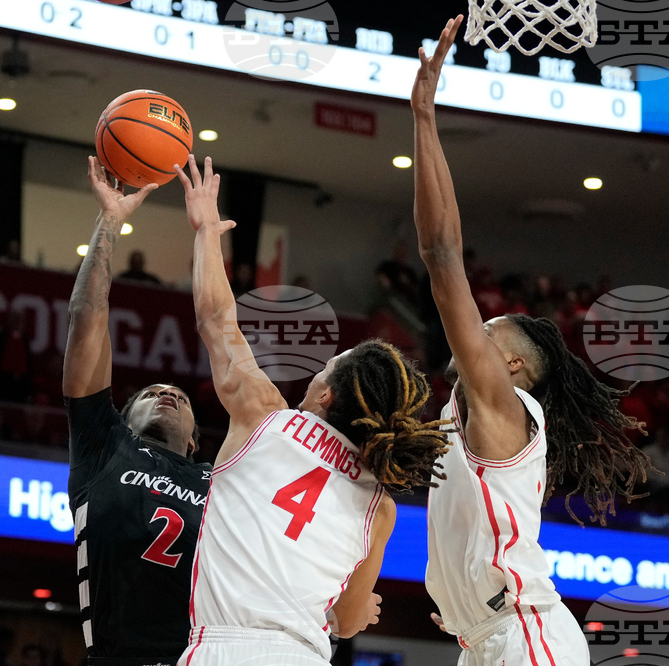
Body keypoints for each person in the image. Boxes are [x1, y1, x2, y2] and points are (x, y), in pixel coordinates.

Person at [411, 17, 654, 666]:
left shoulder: (506, 407)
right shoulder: (461, 415)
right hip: (485, 640)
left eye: (485, 335)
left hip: (524, 638)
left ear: (511, 364)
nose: (470, 337)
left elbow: (440, 256)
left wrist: (425, 121)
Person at [173, 154, 451, 666]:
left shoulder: (266, 417)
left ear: (325, 395)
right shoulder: (381, 506)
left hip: (225, 647)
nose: (315, 374)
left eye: (324, 369)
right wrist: (360, 608)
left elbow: (216, 319)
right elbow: (345, 624)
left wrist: (207, 232)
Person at [64, 157, 210, 666]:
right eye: (150, 392)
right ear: (122, 418)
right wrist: (111, 219)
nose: (168, 394)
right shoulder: (104, 446)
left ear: (195, 441)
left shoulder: (221, 479)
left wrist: (208, 236)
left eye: (182, 397)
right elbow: (86, 319)